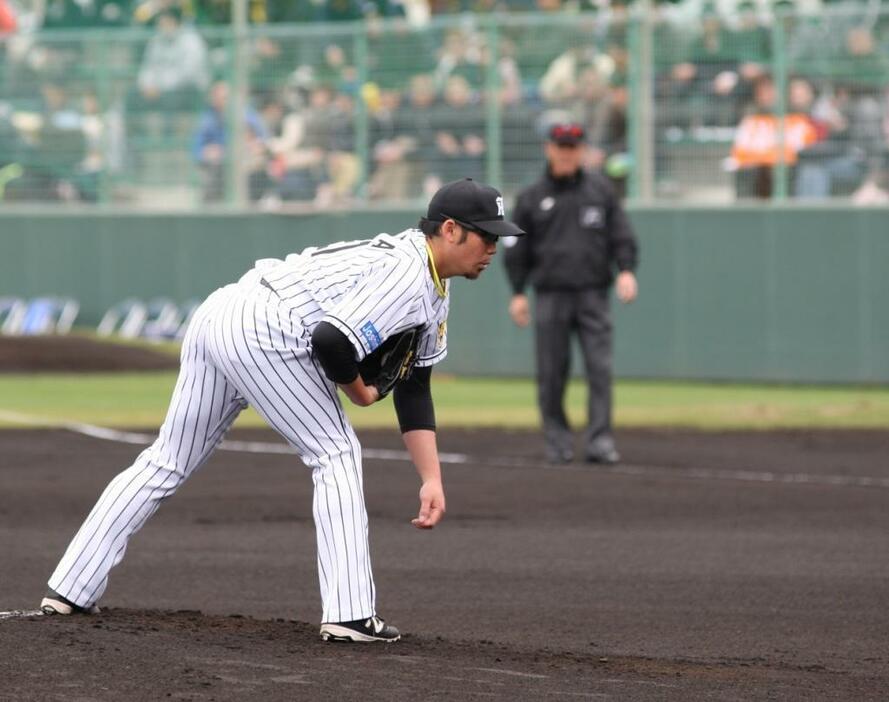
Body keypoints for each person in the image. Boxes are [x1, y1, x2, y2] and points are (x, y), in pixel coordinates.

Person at [39, 177, 524, 643]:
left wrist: (431, 478)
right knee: (335, 454)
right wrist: (358, 392)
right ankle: (350, 613)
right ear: (450, 229)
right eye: (486, 236)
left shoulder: (430, 284)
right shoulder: (408, 274)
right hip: (267, 329)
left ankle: (71, 588)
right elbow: (330, 339)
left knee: (167, 460)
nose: (493, 249)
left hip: (222, 313)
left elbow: (415, 384)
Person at [504, 123, 638, 466]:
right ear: (549, 148)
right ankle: (557, 440)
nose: (567, 153)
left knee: (599, 369)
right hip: (550, 295)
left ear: (582, 150)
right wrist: (518, 292)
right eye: (561, 146)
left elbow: (621, 236)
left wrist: (625, 270)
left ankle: (599, 440)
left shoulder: (601, 191)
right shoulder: (532, 196)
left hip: (593, 293)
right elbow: (517, 248)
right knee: (551, 372)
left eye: (573, 146)